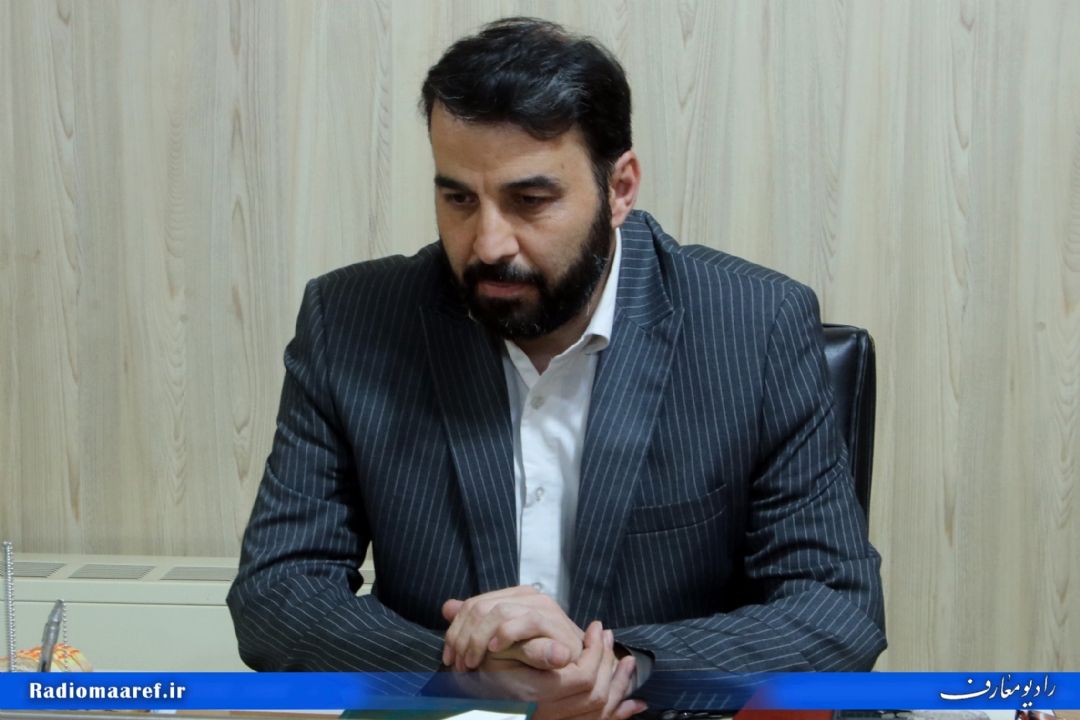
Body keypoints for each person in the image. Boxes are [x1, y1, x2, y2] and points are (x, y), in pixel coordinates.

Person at [227, 16, 886, 719]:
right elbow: (276, 593)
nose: (488, 243)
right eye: (458, 199)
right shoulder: (351, 321)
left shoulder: (753, 326)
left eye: (530, 200)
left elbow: (835, 606)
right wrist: (463, 675)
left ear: (620, 187)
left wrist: (616, 668)